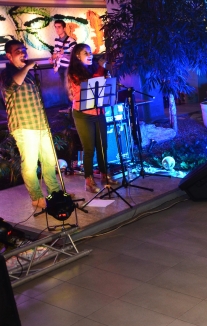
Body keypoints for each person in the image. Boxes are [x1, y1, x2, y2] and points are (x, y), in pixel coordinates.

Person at [0, 40, 60, 209]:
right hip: (24, 126)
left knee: (49, 161)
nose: (23, 53)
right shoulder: (6, 73)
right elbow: (11, 86)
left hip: (40, 124)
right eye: (18, 51)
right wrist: (27, 67)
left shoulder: (28, 74)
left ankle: (55, 193)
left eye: (24, 50)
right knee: (30, 165)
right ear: (9, 56)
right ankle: (36, 197)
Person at [67, 43, 118, 193]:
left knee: (103, 146)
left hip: (99, 111)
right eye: (86, 53)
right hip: (83, 114)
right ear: (78, 56)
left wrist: (105, 73)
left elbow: (103, 85)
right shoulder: (74, 72)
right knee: (89, 149)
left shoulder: (95, 68)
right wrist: (100, 68)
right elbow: (89, 84)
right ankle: (88, 181)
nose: (90, 55)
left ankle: (104, 175)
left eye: (90, 53)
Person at [51, 19, 76, 88]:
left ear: (64, 28)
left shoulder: (71, 41)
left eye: (59, 27)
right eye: (55, 27)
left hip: (68, 68)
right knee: (63, 88)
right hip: (59, 67)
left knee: (69, 88)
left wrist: (63, 55)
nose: (57, 29)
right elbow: (54, 53)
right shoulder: (56, 40)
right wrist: (53, 57)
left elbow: (74, 57)